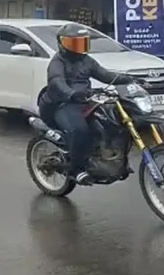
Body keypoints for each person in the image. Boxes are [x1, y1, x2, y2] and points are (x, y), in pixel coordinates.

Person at [38, 23, 136, 184]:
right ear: (62, 43)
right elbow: (56, 82)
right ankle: (76, 170)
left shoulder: (87, 60)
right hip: (61, 104)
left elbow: (105, 74)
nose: (79, 47)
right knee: (80, 130)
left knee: (112, 121)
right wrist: (71, 93)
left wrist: (130, 79)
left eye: (82, 42)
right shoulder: (58, 62)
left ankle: (113, 160)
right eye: (74, 43)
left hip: (84, 101)